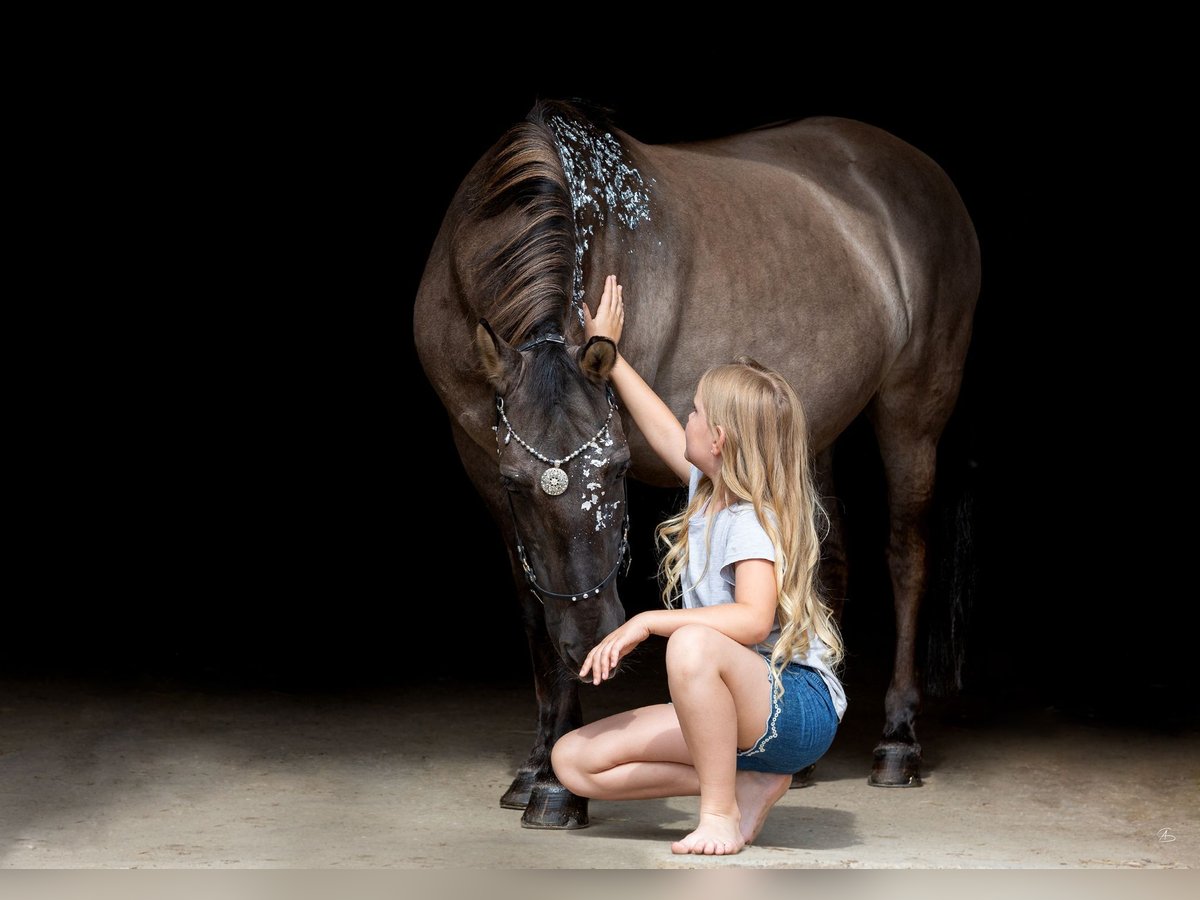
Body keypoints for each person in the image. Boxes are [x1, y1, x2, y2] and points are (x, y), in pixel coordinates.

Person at [551, 274, 847, 856]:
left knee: (688, 644)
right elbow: (660, 426)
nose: (682, 419)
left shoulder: (751, 520)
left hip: (796, 706)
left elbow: (753, 621)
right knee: (573, 763)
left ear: (720, 439)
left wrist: (647, 622)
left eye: (695, 412)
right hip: (735, 709)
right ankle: (743, 784)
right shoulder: (708, 489)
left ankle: (717, 815)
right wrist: (608, 353)